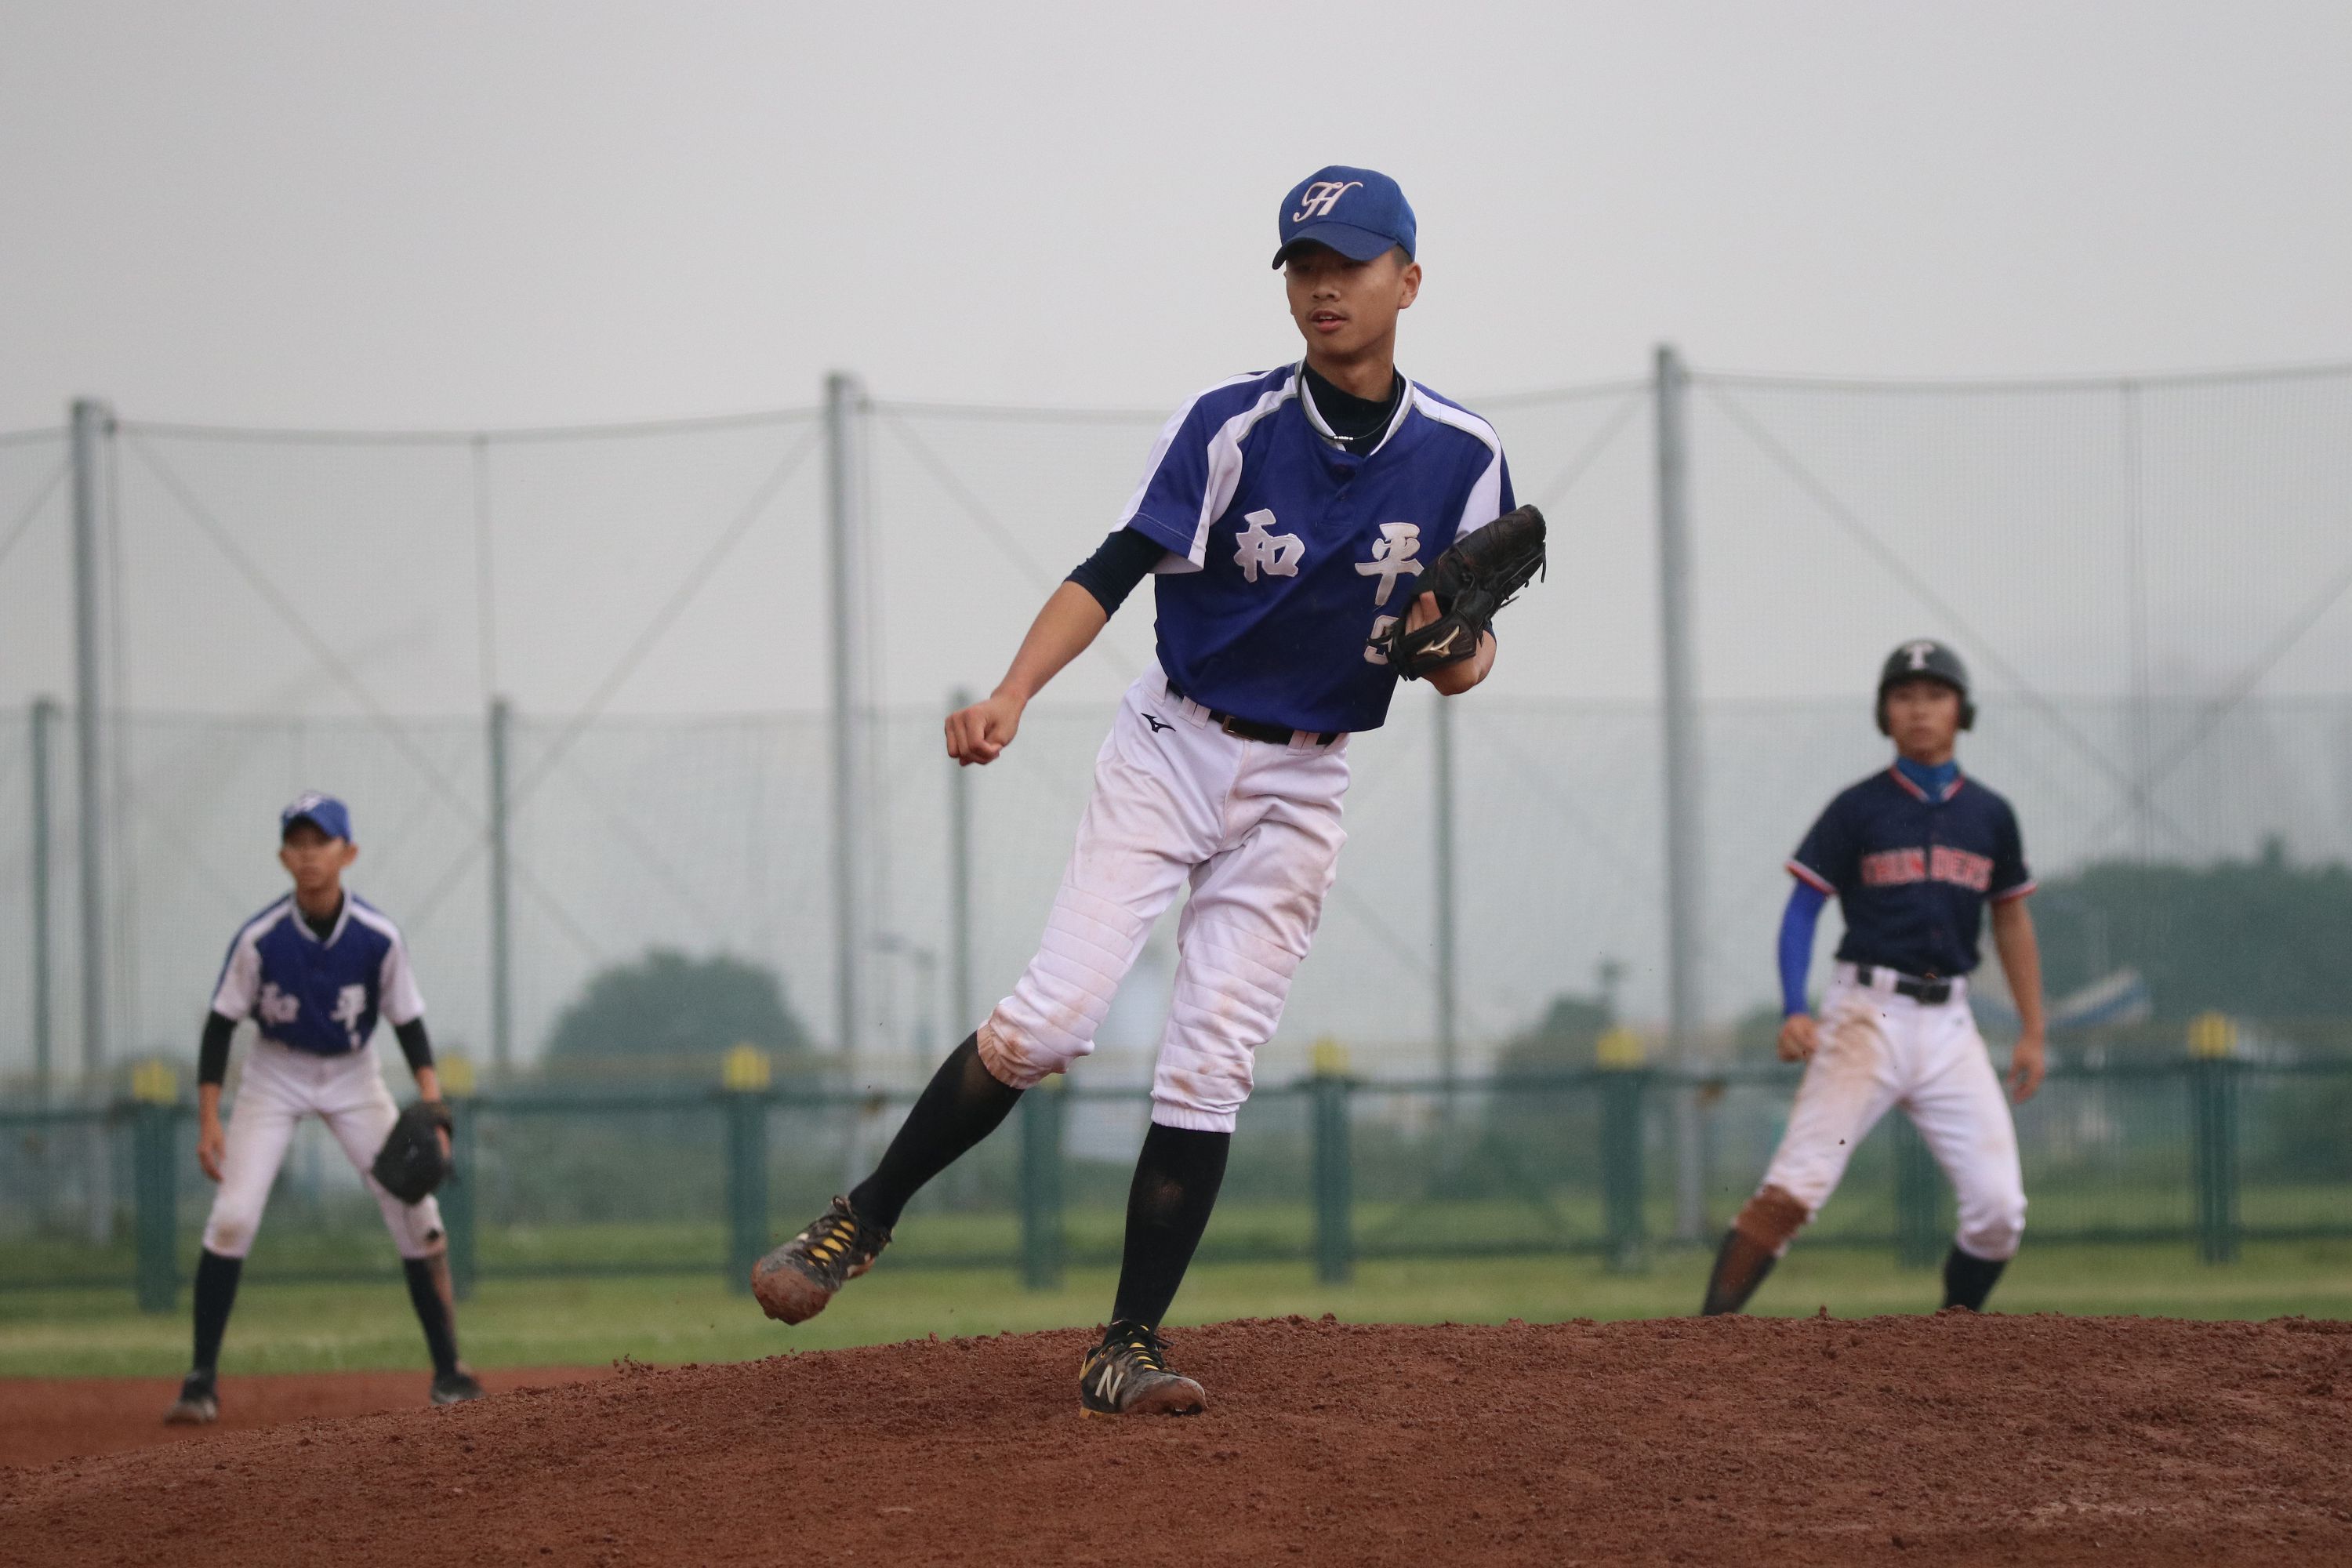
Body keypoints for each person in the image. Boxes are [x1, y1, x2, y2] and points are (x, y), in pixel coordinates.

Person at [753, 165, 1516, 1415]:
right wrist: (1012, 692)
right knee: (1050, 1024)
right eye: (1304, 265)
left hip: (1304, 778)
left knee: (1209, 1067)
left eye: (1349, 263)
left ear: (1409, 281)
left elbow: (1466, 658)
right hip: (1174, 745)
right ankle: (864, 1217)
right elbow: (1111, 568)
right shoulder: (1229, 426)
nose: (1323, 286)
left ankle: (1128, 1345)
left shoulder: (1463, 455)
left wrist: (1451, 648)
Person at [1700, 641, 2047, 1317]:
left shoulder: (1990, 815)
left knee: (2000, 1211)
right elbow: (1803, 909)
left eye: (1936, 696)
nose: (1920, 710)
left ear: (1962, 712)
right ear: (1884, 714)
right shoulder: (1858, 809)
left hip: (1950, 1026)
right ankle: (1705, 1343)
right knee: (1795, 1189)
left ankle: (1954, 1336)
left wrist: (2033, 1029)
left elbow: (2010, 920)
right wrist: (1793, 1007)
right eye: (1904, 697)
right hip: (1867, 1016)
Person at [164, 793, 482, 1424]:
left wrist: (432, 1104)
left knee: (418, 1213)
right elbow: (220, 1027)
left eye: (322, 842)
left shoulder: (377, 937)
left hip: (353, 1073)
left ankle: (449, 1370)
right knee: (231, 1219)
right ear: (284, 856)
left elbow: (409, 1024)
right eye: (298, 843)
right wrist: (208, 1120)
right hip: (273, 1074)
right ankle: (200, 1382)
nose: (309, 854)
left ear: (348, 853)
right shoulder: (260, 939)